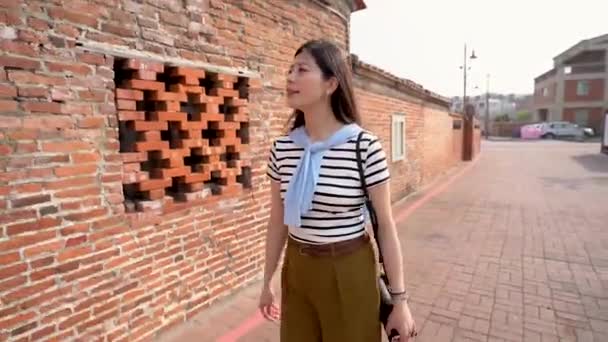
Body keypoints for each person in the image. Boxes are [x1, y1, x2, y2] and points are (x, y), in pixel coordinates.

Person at [258, 39, 416, 342]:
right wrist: (267, 282)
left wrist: (400, 301)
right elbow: (277, 221)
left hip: (348, 267)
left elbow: (384, 225)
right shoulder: (282, 149)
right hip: (298, 267)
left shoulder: (364, 146)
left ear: (331, 84)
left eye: (301, 70)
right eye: (290, 70)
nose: (290, 77)